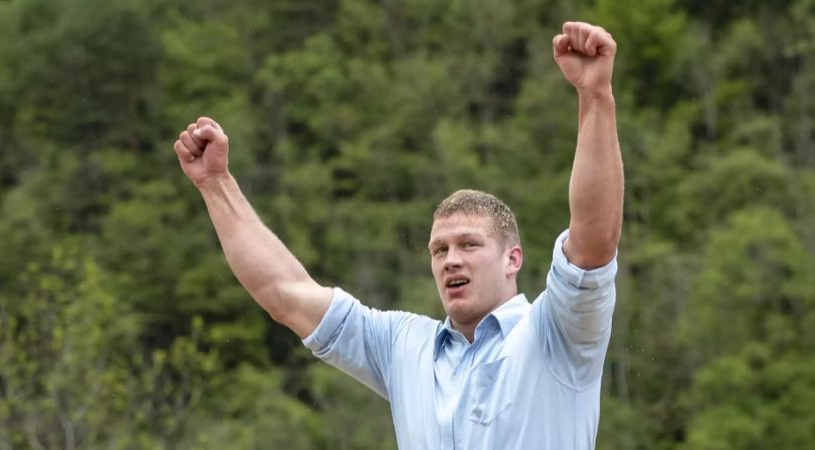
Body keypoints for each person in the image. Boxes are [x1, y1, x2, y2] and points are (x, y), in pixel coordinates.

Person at [172, 21, 623, 450]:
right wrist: (216, 185)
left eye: (469, 244)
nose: (450, 260)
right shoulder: (404, 346)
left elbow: (593, 240)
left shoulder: (557, 331)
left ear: (513, 259)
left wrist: (595, 95)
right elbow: (285, 294)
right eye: (438, 249)